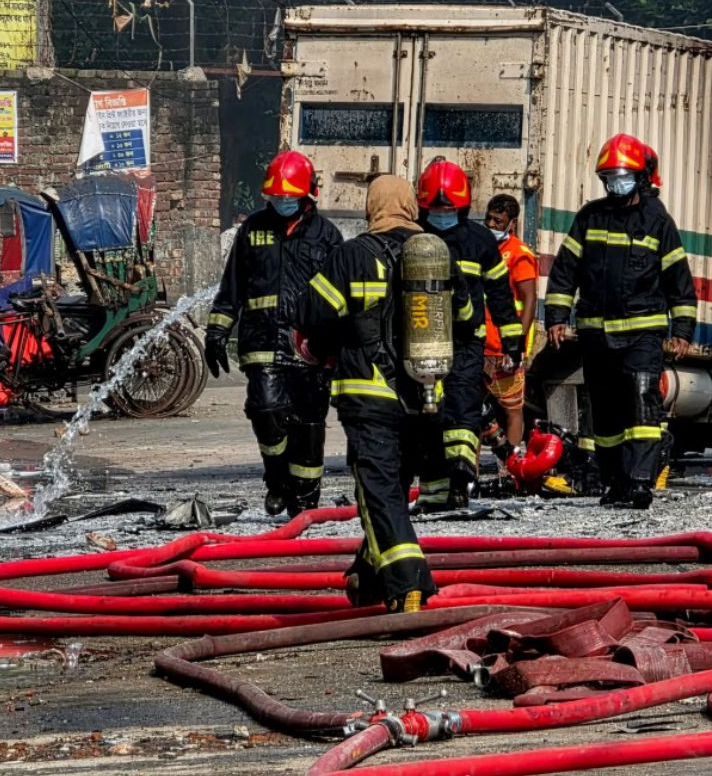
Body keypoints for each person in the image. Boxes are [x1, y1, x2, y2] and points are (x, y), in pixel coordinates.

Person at [295, 175, 463, 613]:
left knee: (378, 489)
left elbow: (311, 315)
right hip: (423, 393)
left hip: (368, 392)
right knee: (396, 483)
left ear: (372, 207)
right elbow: (463, 317)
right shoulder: (436, 256)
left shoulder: (350, 256)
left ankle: (408, 582)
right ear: (411, 206)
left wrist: (333, 343)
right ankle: (366, 578)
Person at [543, 133, 697, 510]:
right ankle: (615, 482)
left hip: (643, 333)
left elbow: (679, 280)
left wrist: (682, 330)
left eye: (623, 176)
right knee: (607, 412)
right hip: (597, 335)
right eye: (610, 177)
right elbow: (565, 271)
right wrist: (557, 318)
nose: (617, 183)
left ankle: (641, 481)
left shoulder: (658, 221)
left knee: (643, 402)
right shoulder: (590, 217)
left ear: (640, 179)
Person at [204, 150, 343, 517]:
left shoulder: (328, 236)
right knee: (266, 411)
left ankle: (306, 497)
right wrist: (216, 331)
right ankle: (277, 479)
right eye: (276, 198)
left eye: (289, 197)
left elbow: (341, 297)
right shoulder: (252, 229)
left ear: (308, 194)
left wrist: (339, 347)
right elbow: (231, 285)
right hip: (262, 342)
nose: (282, 203)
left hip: (310, 346)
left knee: (309, 424)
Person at [413, 160, 524, 511]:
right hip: (418, 344)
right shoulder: (412, 236)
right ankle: (433, 491)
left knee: (462, 408)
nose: (442, 215)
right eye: (436, 209)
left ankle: (461, 475)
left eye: (449, 209)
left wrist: (511, 339)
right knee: (426, 416)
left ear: (462, 206)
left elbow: (501, 293)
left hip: (465, 341)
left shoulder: (479, 241)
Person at [482, 194, 538, 451]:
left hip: (505, 347)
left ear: (512, 223)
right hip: (481, 346)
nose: (491, 225)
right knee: (474, 412)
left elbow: (528, 302)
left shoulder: (519, 255)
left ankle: (511, 469)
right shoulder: (482, 248)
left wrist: (516, 344)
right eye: (489, 219)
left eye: (498, 220)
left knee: (511, 409)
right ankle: (470, 473)